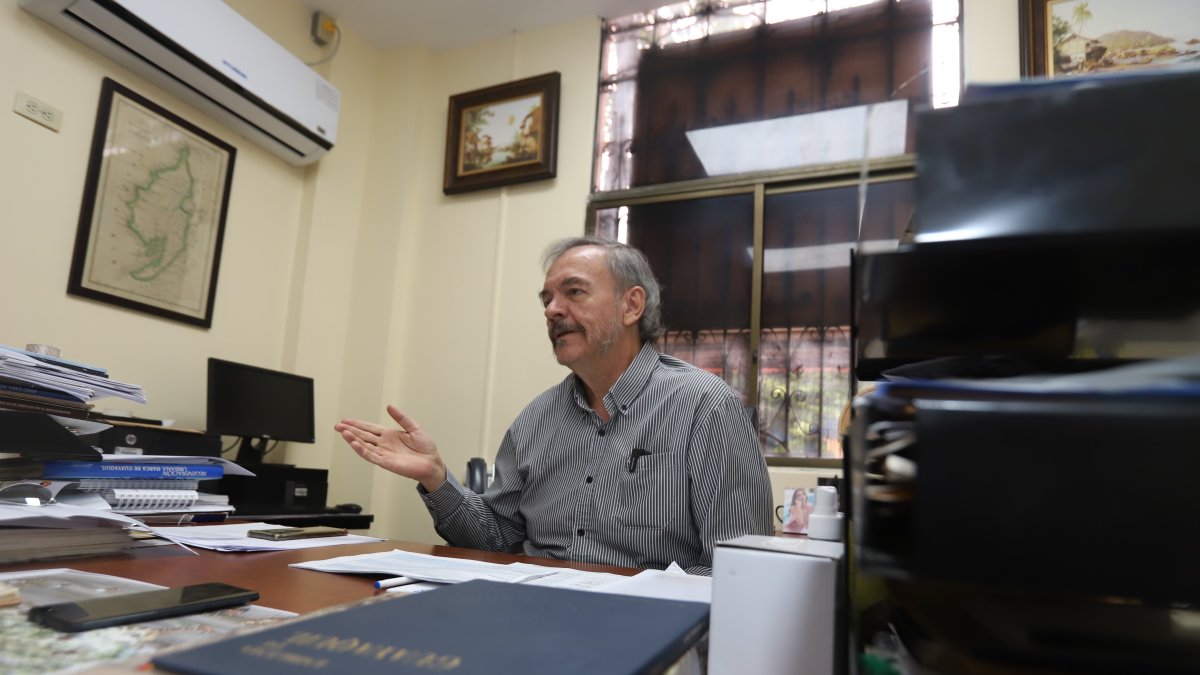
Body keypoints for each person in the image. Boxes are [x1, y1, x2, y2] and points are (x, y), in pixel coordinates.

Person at [335, 235, 772, 575]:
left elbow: (738, 568)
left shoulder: (705, 408)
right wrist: (436, 478)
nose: (552, 310)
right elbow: (496, 541)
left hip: (645, 629)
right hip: (531, 616)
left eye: (574, 293)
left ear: (631, 305)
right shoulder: (535, 421)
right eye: (547, 299)